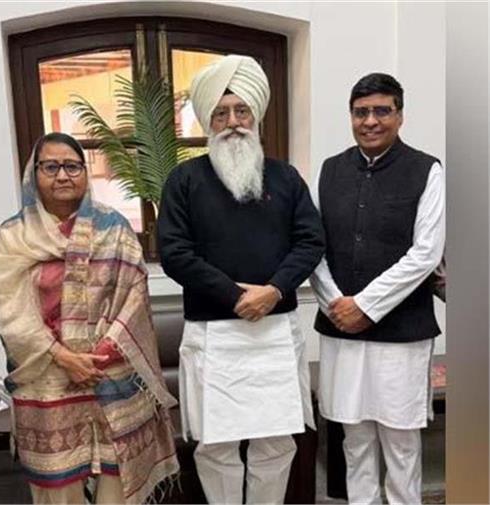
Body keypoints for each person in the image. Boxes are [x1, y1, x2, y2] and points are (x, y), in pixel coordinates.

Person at [157, 55, 325, 504]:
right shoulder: (184, 180)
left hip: (275, 329)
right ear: (208, 121)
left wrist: (273, 291)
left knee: (277, 442)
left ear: (256, 115)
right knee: (216, 445)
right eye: (221, 113)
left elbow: (311, 241)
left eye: (241, 111)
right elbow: (174, 253)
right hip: (213, 334)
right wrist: (234, 296)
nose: (232, 122)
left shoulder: (286, 177)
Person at [0, 132, 179, 504]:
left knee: (116, 484)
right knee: (57, 488)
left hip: (109, 372)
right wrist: (63, 357)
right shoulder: (14, 236)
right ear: (33, 174)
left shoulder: (114, 228)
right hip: (45, 378)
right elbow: (9, 310)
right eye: (51, 167)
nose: (62, 175)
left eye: (72, 166)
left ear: (84, 173)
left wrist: (100, 355)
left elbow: (134, 298)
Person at [310, 73, 445, 505]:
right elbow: (312, 245)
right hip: (341, 328)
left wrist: (366, 306)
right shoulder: (331, 170)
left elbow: (426, 253)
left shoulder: (426, 170)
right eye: (361, 112)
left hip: (402, 332)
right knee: (354, 438)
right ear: (351, 117)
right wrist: (335, 303)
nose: (370, 121)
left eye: (382, 111)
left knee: (401, 441)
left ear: (400, 116)